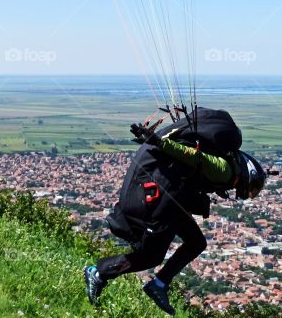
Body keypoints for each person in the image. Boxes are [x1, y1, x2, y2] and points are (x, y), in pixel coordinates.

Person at [84, 119, 267, 314]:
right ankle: (103, 273)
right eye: (250, 188)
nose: (245, 193)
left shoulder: (229, 167)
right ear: (248, 174)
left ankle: (156, 283)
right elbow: (195, 158)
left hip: (174, 202)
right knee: (154, 255)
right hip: (167, 201)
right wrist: (160, 142)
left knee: (193, 244)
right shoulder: (225, 171)